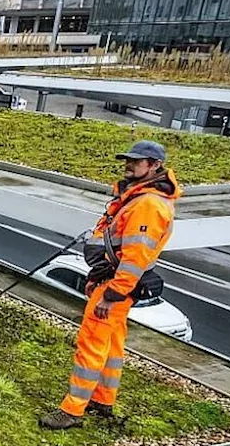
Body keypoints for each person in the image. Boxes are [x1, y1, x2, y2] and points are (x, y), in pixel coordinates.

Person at [41, 140, 181, 430]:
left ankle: (72, 410)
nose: (129, 165)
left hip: (115, 286)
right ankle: (103, 399)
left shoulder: (148, 205)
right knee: (112, 345)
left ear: (154, 165)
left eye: (137, 161)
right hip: (111, 280)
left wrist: (112, 295)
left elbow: (135, 258)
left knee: (90, 344)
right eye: (127, 160)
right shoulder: (139, 197)